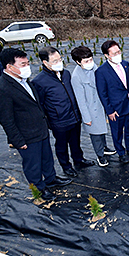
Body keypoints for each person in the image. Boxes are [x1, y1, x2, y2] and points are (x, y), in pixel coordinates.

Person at [0, 48, 71, 200]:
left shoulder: (23, 80)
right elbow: (6, 120)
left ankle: (50, 179)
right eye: (23, 64)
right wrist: (18, 141)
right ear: (9, 67)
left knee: (47, 157)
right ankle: (39, 188)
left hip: (40, 129)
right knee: (33, 164)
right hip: (26, 136)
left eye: (27, 62)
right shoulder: (2, 89)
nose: (27, 66)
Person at [32, 47, 94, 178]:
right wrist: (50, 121)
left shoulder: (66, 74)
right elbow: (41, 104)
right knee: (61, 146)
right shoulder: (39, 82)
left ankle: (79, 160)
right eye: (55, 61)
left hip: (74, 116)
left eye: (60, 59)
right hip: (59, 120)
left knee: (76, 141)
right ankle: (66, 166)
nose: (59, 62)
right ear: (45, 63)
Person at [95, 40, 129, 164]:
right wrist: (109, 110)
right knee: (117, 132)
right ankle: (121, 153)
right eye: (114, 53)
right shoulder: (101, 72)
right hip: (115, 108)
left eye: (119, 52)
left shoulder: (125, 64)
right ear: (107, 55)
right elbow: (103, 94)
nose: (118, 55)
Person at [70, 46, 116, 167]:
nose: (90, 63)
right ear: (78, 62)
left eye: (91, 59)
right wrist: (86, 118)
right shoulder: (76, 77)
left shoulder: (94, 67)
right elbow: (81, 100)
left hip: (100, 105)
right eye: (86, 61)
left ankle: (104, 147)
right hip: (91, 109)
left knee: (101, 131)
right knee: (95, 134)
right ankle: (100, 155)